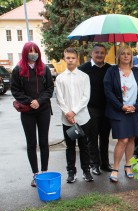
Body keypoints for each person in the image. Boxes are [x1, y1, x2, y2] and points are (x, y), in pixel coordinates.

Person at [11, 42, 54, 187]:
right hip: (27, 112)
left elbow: (49, 89)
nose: (33, 53)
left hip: (43, 110)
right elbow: (15, 91)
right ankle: (35, 174)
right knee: (31, 143)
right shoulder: (18, 70)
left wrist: (39, 101)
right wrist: (30, 102)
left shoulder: (44, 69)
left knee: (44, 142)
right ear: (25, 52)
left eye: (35, 51)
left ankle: (44, 171)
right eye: (30, 51)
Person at [104, 45, 138, 182]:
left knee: (132, 138)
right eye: (123, 54)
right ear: (119, 56)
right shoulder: (112, 71)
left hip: (134, 111)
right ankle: (115, 169)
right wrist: (121, 106)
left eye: (128, 54)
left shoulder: (137, 72)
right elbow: (108, 92)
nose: (126, 56)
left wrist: (136, 106)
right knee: (123, 139)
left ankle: (128, 166)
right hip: (118, 111)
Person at [55, 48, 92, 183]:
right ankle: (71, 172)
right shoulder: (60, 78)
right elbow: (59, 98)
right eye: (68, 57)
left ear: (77, 59)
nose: (70, 60)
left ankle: (86, 171)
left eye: (73, 58)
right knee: (70, 147)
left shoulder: (84, 77)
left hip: (82, 118)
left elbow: (86, 97)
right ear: (64, 59)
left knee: (84, 146)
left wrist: (74, 111)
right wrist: (67, 113)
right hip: (67, 120)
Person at [78, 44, 112, 175]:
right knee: (92, 138)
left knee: (105, 138)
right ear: (92, 53)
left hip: (106, 109)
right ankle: (95, 164)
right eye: (97, 52)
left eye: (102, 53)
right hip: (90, 108)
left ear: (105, 54)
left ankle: (105, 163)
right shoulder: (83, 69)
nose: (99, 55)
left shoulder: (109, 69)